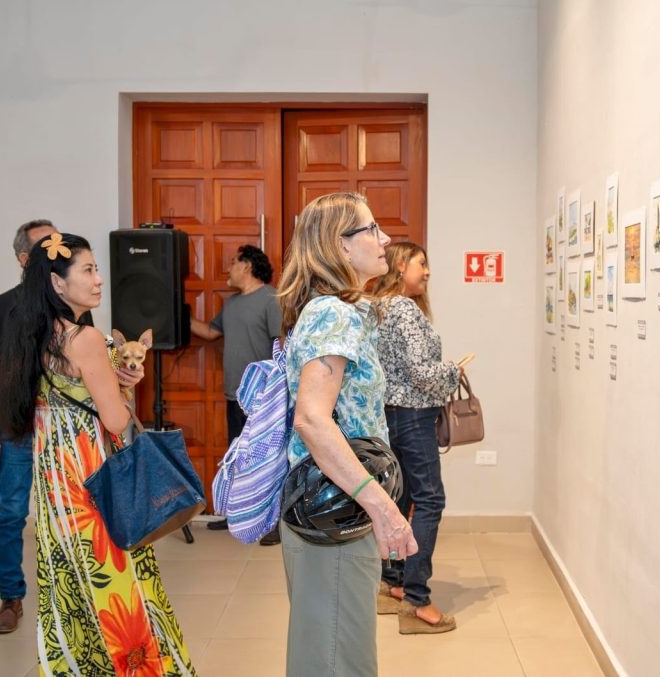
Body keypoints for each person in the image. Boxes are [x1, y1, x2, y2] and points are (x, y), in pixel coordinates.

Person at [0, 233, 196, 676]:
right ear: (57, 283)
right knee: (115, 578)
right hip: (92, 477)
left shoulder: (33, 335)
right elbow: (117, 421)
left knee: (68, 580)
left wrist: (114, 380)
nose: (99, 279)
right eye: (88, 270)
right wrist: (123, 391)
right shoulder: (84, 338)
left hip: (55, 482)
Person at [276, 192, 418, 676]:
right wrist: (384, 508)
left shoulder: (339, 310)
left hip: (340, 508)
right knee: (336, 661)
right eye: (372, 229)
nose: (385, 239)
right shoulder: (332, 313)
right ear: (340, 245)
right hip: (334, 511)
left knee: (335, 654)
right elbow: (312, 420)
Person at [372, 242, 463, 634]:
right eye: (421, 264)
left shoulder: (379, 307)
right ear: (399, 266)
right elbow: (422, 373)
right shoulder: (405, 309)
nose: (427, 272)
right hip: (412, 416)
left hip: (389, 415)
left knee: (401, 498)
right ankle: (416, 600)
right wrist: (452, 372)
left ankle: (392, 583)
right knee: (429, 500)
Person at [0, 218, 57, 634]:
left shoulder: (70, 304)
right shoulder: (3, 306)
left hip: (60, 427)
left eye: (59, 243)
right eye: (46, 246)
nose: (56, 252)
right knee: (11, 513)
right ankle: (11, 597)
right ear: (25, 259)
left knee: (67, 514)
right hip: (14, 426)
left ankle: (69, 593)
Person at [190, 244, 283, 540]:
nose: (228, 268)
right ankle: (237, 517)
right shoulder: (231, 304)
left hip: (263, 398)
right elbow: (210, 332)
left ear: (247, 266)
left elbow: (282, 343)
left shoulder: (272, 299)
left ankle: (273, 524)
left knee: (267, 461)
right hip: (234, 396)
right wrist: (175, 312)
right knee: (238, 458)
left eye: (233, 262)